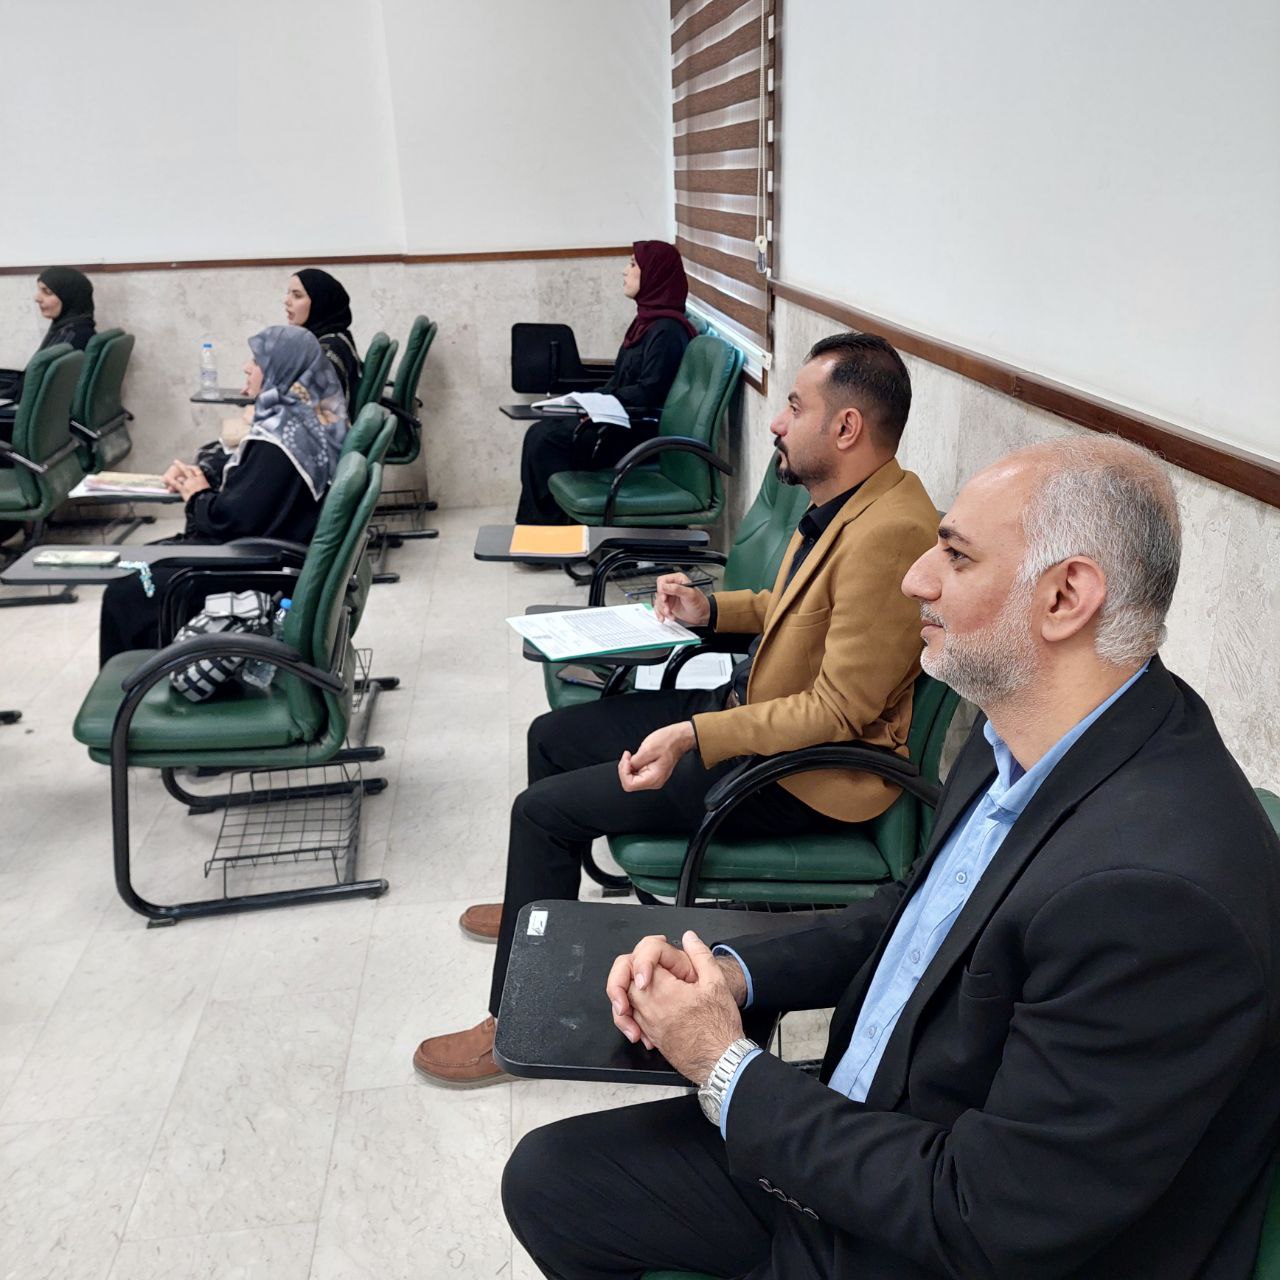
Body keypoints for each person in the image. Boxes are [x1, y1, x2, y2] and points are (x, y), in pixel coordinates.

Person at [502, 436, 1280, 1280]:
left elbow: (987, 1221)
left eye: (956, 555)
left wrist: (726, 1069)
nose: (916, 579)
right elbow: (916, 914)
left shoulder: (1155, 899)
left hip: (935, 1226)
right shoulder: (1023, 731)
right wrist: (733, 975)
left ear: (1065, 596)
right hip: (881, 1136)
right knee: (550, 1180)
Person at [413, 333, 939, 1087]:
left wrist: (695, 734)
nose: (777, 422)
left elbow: (838, 710)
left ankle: (513, 1025)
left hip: (802, 777)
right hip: (759, 722)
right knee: (552, 736)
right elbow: (794, 610)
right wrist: (709, 609)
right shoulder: (854, 502)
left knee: (541, 812)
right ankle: (539, 902)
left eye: (795, 407)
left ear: (847, 427)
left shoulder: (891, 532)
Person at [98, 325, 348, 665]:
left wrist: (198, 496)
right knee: (143, 564)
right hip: (278, 559)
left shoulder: (280, 441)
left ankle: (140, 685)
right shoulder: (309, 421)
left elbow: (231, 519)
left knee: (128, 591)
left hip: (260, 570)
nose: (247, 367)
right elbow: (256, 493)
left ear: (281, 369)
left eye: (256, 361)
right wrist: (204, 479)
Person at [515, 240, 697, 524]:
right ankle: (541, 528)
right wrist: (589, 401)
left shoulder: (667, 331)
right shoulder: (645, 322)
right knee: (539, 432)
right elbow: (620, 378)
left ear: (655, 274)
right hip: (620, 420)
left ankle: (552, 528)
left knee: (546, 441)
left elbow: (650, 391)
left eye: (633, 264)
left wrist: (604, 403)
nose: (625, 271)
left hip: (637, 431)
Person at [0, 266, 97, 415]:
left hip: (29, 415)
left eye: (47, 292)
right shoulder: (73, 328)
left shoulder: (71, 339)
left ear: (68, 297)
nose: (37, 298)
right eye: (39, 290)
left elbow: (36, 394)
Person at [285, 268, 362, 409]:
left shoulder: (328, 350)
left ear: (320, 302)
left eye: (297, 296)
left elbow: (307, 409)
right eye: (288, 293)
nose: (287, 301)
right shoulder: (336, 338)